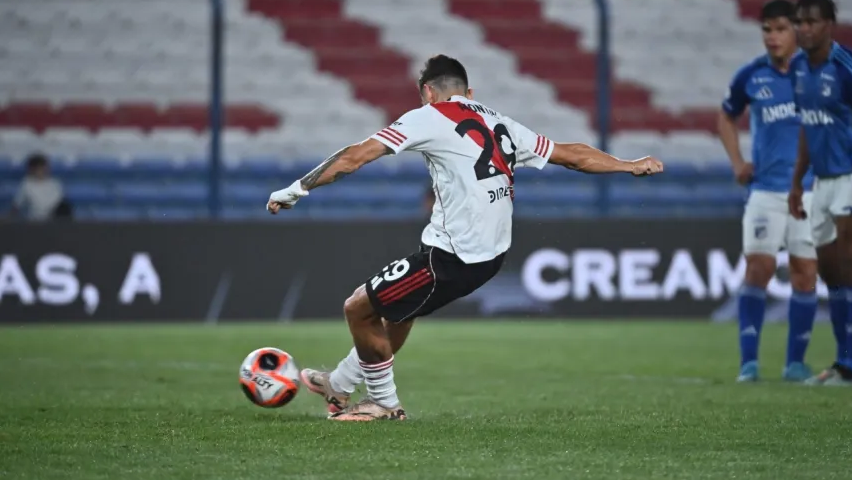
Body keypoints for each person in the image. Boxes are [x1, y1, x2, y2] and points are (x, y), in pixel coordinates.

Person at [266, 55, 664, 420]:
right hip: (487, 254)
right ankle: (339, 384)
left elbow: (357, 155)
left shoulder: (429, 116)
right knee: (401, 310)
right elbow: (571, 154)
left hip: (454, 255)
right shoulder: (500, 121)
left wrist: (297, 188)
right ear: (470, 93)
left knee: (358, 309)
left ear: (427, 92)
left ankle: (383, 403)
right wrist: (629, 165)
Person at [788, 0, 852, 386]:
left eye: (812, 22)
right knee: (830, 273)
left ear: (829, 25)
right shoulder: (798, 68)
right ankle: (841, 361)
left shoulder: (849, 67)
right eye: (799, 22)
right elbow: (807, 125)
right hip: (822, 180)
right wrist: (797, 181)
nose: (803, 29)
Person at [718, 0, 817, 384]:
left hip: (810, 190)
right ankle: (749, 363)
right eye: (767, 29)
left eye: (780, 29)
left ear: (797, 30)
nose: (772, 37)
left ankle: (795, 363)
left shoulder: (816, 71)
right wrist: (738, 163)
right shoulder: (751, 75)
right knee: (757, 269)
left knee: (805, 273)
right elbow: (725, 116)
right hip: (765, 190)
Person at [11, 153, 66, 222]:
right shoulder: (26, 184)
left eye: (45, 167)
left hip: (54, 221)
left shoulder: (55, 183)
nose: (43, 170)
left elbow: (61, 205)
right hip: (35, 222)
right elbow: (16, 205)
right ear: (32, 169)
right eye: (39, 168)